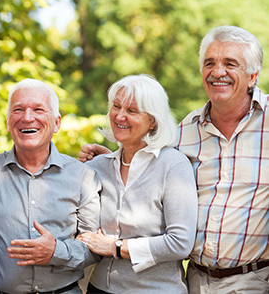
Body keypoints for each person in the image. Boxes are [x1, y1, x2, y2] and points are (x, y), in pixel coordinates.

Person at [79, 26, 269, 293]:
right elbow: (148, 161)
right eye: (209, 63)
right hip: (196, 279)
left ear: (253, 76)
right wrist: (110, 158)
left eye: (230, 64)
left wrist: (117, 247)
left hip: (254, 279)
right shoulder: (187, 130)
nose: (217, 72)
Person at [0, 78, 101, 294]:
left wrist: (57, 251)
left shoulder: (83, 176)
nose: (28, 118)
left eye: (38, 109)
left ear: (56, 123)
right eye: (18, 110)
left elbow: (94, 247)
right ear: (8, 123)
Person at [76, 74, 198, 293]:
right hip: (99, 288)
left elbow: (180, 243)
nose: (120, 116)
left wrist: (116, 247)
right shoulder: (98, 166)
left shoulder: (173, 165)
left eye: (131, 111)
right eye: (116, 106)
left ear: (153, 120)